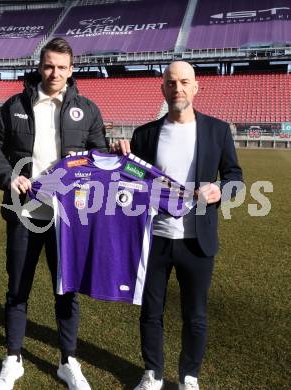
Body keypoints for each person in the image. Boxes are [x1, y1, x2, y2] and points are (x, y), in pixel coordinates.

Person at [0, 37, 108, 390]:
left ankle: (68, 360)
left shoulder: (87, 109)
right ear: (40, 66)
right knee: (18, 288)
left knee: (65, 289)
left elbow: (98, 157)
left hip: (67, 218)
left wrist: (86, 177)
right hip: (24, 212)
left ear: (72, 70)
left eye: (62, 67)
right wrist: (10, 177)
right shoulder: (15, 105)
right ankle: (13, 358)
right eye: (49, 65)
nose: (54, 72)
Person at [114, 61, 243, 390]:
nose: (178, 89)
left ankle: (189, 376)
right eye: (171, 83)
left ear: (196, 87)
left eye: (184, 82)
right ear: (163, 89)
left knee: (195, 314)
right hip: (153, 240)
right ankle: (153, 373)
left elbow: (235, 179)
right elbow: (131, 178)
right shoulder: (145, 134)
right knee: (150, 312)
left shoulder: (217, 130)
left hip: (197, 241)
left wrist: (218, 192)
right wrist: (121, 153)